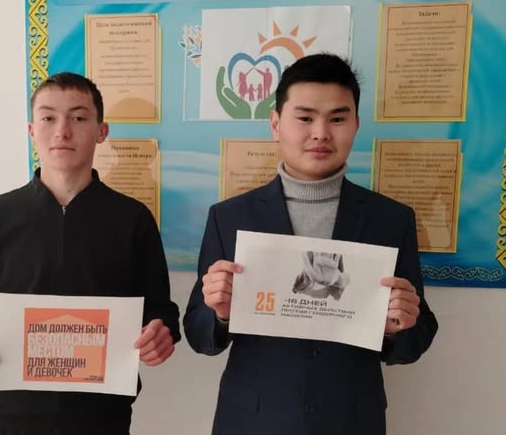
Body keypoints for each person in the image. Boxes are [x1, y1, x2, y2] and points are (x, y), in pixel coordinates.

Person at [184, 53, 438, 435]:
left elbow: (413, 342)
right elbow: (199, 335)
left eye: (337, 119)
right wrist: (219, 313)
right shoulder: (230, 217)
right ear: (276, 124)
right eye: (304, 118)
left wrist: (398, 326)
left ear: (356, 125)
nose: (320, 133)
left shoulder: (391, 220)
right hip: (252, 421)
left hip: (350, 420)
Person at [0, 72, 180, 435]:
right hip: (12, 423)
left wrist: (161, 333)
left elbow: (161, 312)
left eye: (79, 117)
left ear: (101, 131)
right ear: (32, 130)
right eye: (48, 117)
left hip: (104, 422)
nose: (62, 131)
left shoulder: (133, 219)